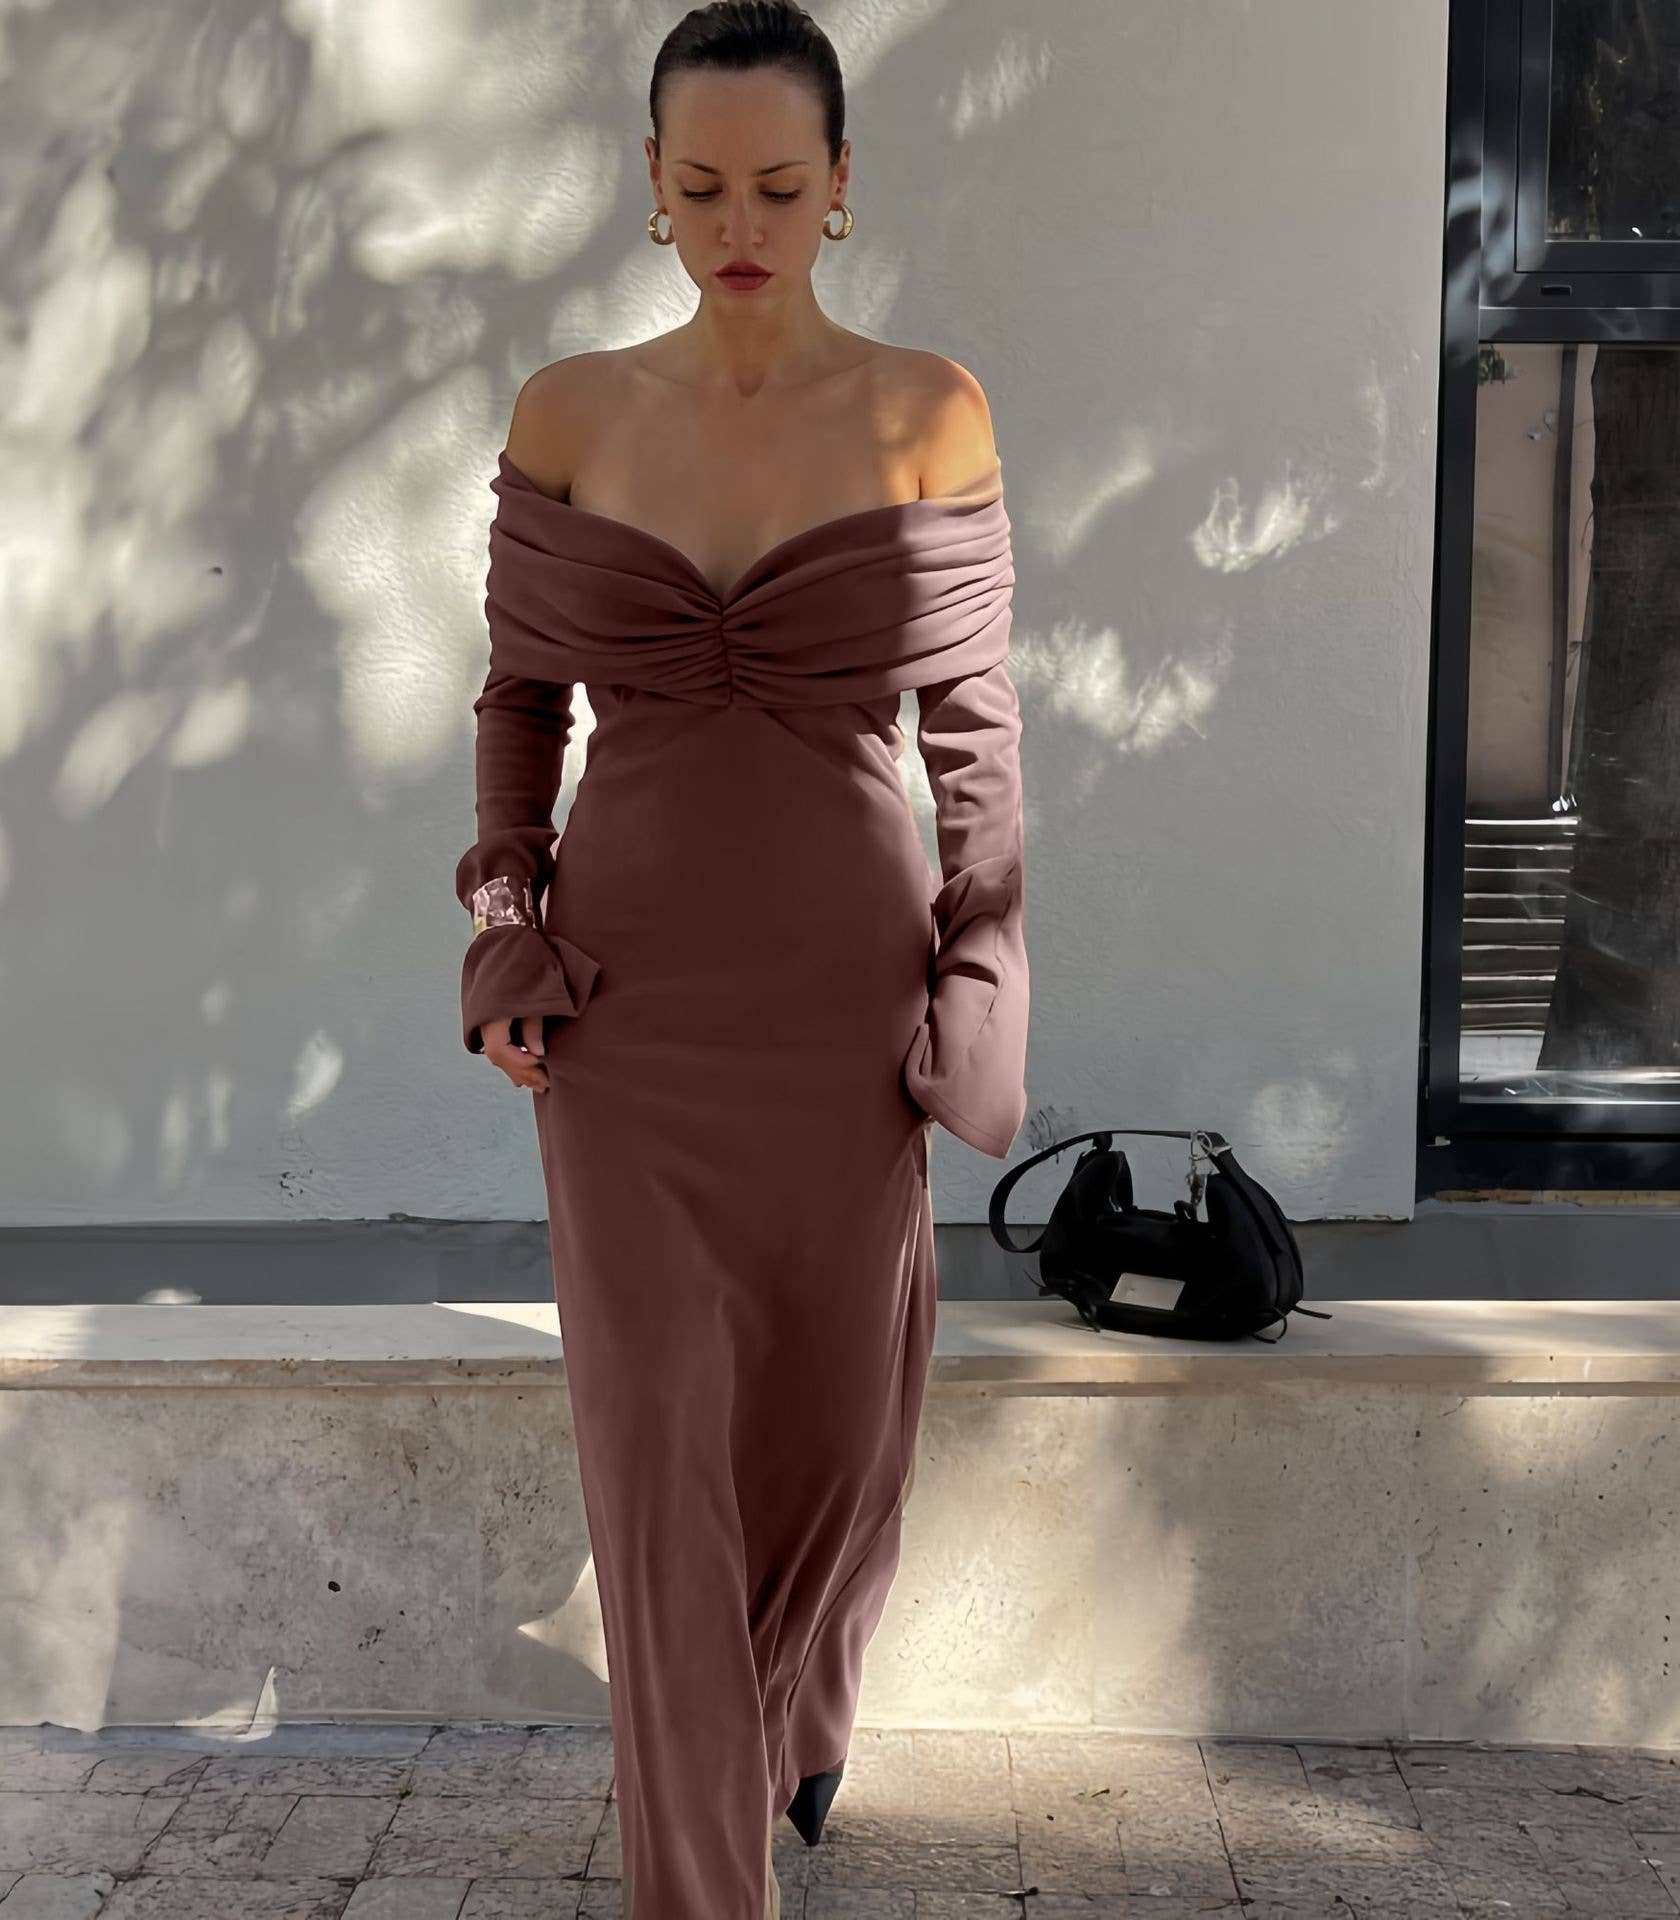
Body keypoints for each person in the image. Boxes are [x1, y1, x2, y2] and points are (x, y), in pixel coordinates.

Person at [452, 4, 1029, 1911]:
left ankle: (800, 1707)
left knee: (838, 1437)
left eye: (779, 186)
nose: (740, 225)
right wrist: (506, 929)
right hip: (626, 1024)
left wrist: (979, 977)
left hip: (847, 1008)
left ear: (842, 184)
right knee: (656, 1464)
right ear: (649, 186)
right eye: (700, 188)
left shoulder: (930, 407)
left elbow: (976, 742)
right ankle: (703, 1874)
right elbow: (518, 705)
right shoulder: (571, 412)